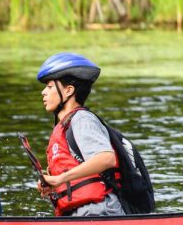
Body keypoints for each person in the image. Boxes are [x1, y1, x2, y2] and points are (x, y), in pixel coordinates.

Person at [35, 52, 124, 216]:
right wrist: (53, 185)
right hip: (83, 212)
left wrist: (60, 179)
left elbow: (106, 158)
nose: (43, 92)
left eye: (49, 87)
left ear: (68, 91)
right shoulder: (66, 125)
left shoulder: (81, 120)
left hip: (98, 211)